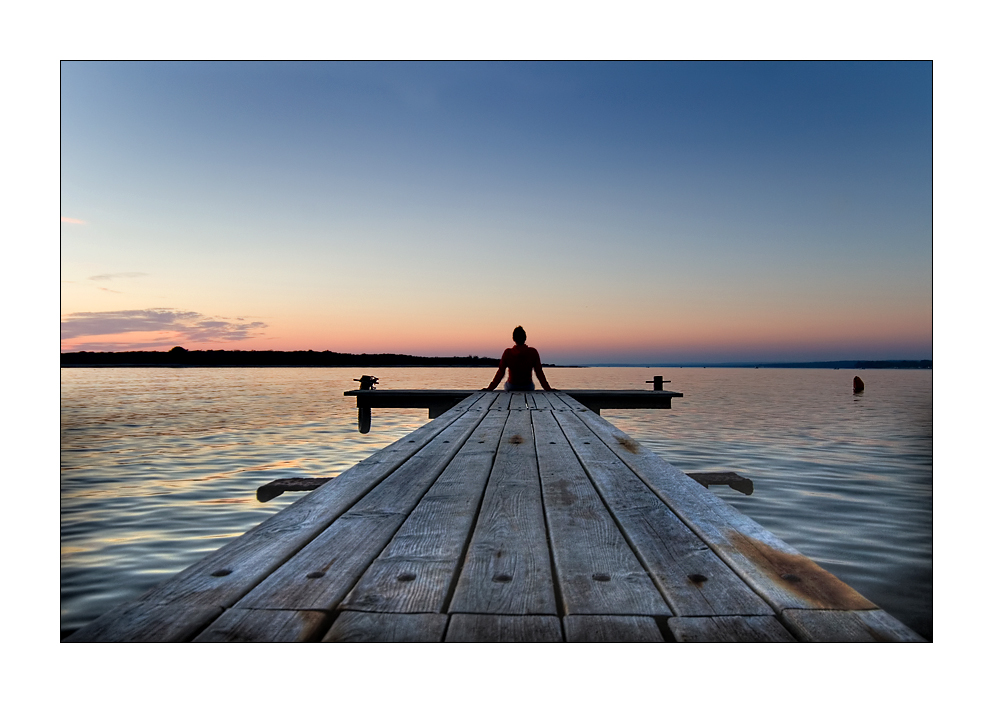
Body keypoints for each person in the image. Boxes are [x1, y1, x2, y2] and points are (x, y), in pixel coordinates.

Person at [485, 326, 555, 391]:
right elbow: (539, 372)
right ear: (525, 338)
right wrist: (548, 388)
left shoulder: (508, 353)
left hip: (512, 386)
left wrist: (490, 388)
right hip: (527, 387)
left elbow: (500, 372)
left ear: (513, 338)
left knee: (506, 384)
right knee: (531, 385)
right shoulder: (533, 352)